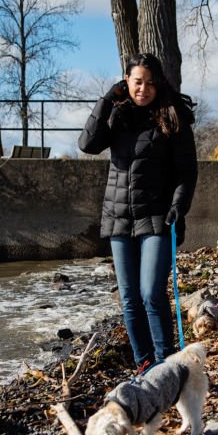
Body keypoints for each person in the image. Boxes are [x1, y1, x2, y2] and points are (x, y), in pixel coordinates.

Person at [78, 53, 198, 370]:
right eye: (136, 82)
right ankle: (144, 365)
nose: (143, 89)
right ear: (126, 82)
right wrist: (107, 99)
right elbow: (87, 144)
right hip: (118, 219)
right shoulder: (118, 116)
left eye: (149, 83)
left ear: (158, 84)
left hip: (158, 217)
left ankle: (167, 365)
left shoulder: (173, 119)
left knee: (151, 293)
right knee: (130, 299)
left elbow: (187, 172)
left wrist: (178, 206)